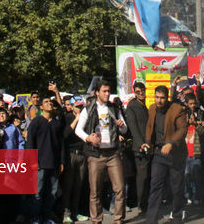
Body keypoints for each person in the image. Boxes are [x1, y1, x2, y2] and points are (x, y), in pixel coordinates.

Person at [75, 79, 127, 224]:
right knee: (95, 191)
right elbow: (78, 129)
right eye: (104, 91)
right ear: (97, 92)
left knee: (120, 188)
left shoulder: (114, 108)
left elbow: (124, 129)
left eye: (109, 91)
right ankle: (96, 220)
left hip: (112, 153)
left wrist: (121, 125)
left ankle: (118, 219)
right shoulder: (89, 109)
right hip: (96, 155)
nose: (107, 94)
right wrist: (88, 138)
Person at [143, 85, 188, 224]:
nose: (159, 101)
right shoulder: (151, 109)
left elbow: (182, 129)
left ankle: (177, 216)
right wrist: (147, 142)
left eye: (162, 98)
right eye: (157, 97)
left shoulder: (176, 109)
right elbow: (150, 126)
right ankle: (151, 220)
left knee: (176, 187)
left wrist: (171, 143)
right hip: (158, 153)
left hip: (175, 154)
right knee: (155, 186)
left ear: (167, 98)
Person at [26, 96, 65, 224]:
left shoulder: (57, 124)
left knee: (52, 192)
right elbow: (30, 142)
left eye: (50, 102)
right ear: (41, 107)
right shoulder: (36, 122)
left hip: (54, 164)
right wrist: (33, 161)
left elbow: (61, 145)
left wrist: (62, 162)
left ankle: (47, 217)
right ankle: (35, 217)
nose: (49, 104)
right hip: (39, 164)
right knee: (38, 192)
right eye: (46, 102)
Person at [61, 96, 89, 222]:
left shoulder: (86, 118)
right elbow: (65, 135)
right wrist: (76, 119)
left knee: (79, 184)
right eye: (77, 106)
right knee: (68, 185)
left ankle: (75, 212)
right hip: (70, 154)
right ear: (72, 107)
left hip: (82, 153)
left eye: (81, 106)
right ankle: (66, 212)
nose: (79, 109)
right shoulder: (67, 118)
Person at [125, 81, 151, 214]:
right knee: (142, 177)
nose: (141, 93)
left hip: (149, 145)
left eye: (142, 91)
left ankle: (147, 203)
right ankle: (142, 204)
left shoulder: (145, 105)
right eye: (138, 92)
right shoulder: (132, 106)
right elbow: (133, 127)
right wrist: (141, 144)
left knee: (149, 176)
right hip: (140, 148)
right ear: (134, 93)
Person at [184, 92, 204, 205]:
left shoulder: (200, 113)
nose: (192, 106)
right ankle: (188, 196)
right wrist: (187, 122)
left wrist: (196, 123)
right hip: (185, 150)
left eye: (194, 103)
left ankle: (197, 196)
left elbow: (202, 131)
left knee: (196, 176)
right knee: (187, 176)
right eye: (190, 104)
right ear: (186, 104)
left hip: (196, 150)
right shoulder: (183, 114)